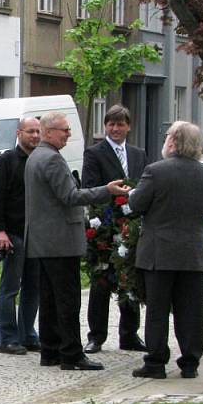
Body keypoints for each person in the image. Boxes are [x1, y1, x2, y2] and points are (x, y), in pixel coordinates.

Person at [24, 112, 129, 371]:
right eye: (65, 130)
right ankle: (71, 354)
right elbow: (70, 196)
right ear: (48, 132)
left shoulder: (36, 156)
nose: (68, 134)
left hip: (44, 240)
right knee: (67, 299)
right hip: (60, 240)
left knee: (49, 298)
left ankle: (51, 351)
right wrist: (107, 190)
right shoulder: (51, 159)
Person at [129, 121, 203, 379]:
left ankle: (156, 362)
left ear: (173, 141)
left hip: (158, 252)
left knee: (157, 310)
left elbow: (138, 203)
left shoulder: (155, 171)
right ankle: (190, 362)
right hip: (192, 251)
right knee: (191, 310)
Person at [82, 105, 148, 354]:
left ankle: (129, 334)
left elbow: (145, 185)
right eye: (111, 124)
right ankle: (96, 335)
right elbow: (89, 187)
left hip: (131, 225)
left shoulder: (138, 154)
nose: (116, 129)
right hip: (105, 226)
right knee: (101, 280)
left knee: (129, 280)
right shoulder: (95, 153)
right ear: (105, 126)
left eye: (120, 124)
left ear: (128, 126)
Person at [0, 117, 41, 355]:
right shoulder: (6, 160)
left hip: (36, 235)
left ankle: (27, 333)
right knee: (10, 288)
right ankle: (7, 337)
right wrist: (0, 231)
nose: (35, 136)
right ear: (19, 133)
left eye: (38, 132)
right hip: (13, 234)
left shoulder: (40, 160)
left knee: (33, 287)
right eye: (30, 131)